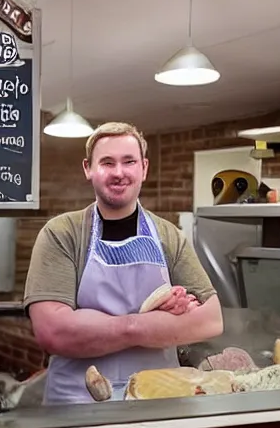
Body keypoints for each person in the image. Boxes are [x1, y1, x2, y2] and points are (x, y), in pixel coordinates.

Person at [27, 123, 222, 402]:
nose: (119, 172)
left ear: (143, 168)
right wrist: (148, 323)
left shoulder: (169, 236)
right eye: (107, 162)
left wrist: (94, 323)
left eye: (128, 161)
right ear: (88, 169)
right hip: (76, 402)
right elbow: (53, 332)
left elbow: (211, 321)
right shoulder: (62, 233)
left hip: (158, 399)